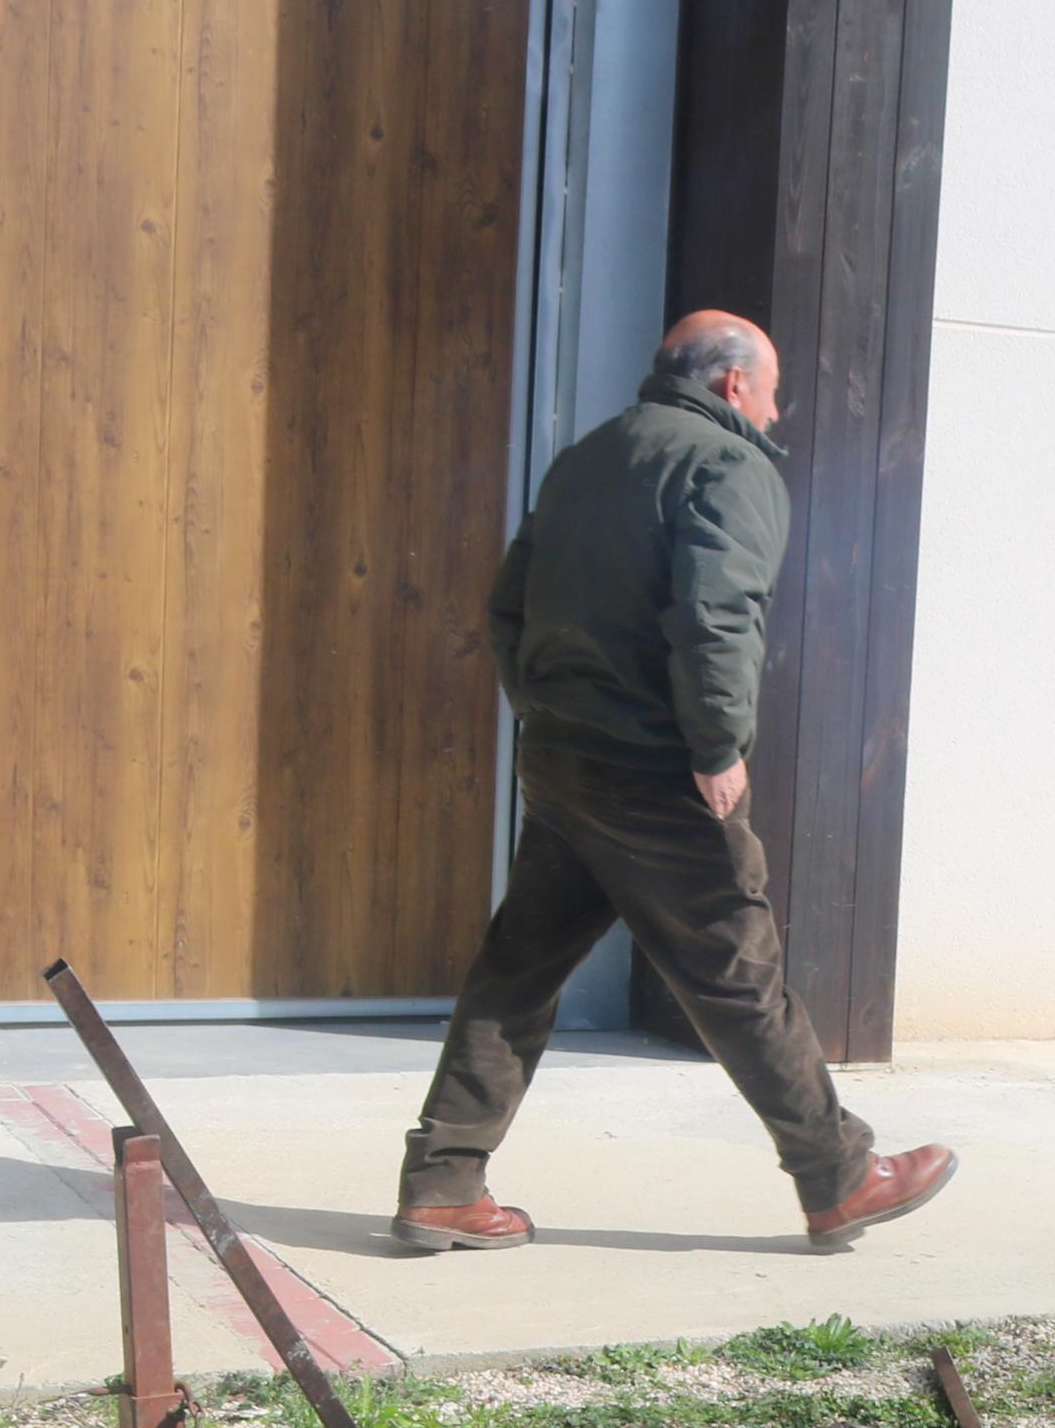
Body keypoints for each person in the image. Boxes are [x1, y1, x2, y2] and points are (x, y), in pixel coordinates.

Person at [394, 312, 952, 1251]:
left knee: (517, 971)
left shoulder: (588, 457)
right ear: (733, 384)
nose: (777, 413)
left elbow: (507, 604)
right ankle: (840, 1175)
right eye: (772, 390)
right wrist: (715, 743)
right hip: (656, 770)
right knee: (739, 971)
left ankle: (442, 1180)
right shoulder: (729, 467)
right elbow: (716, 614)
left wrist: (545, 704)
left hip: (565, 760)